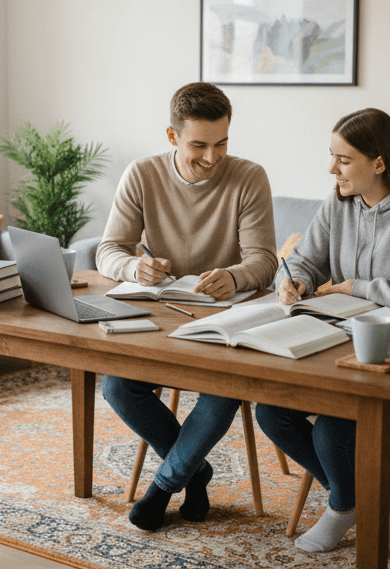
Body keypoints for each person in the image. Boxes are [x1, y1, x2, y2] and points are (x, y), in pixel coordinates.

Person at [255, 108, 390, 552]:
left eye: (343, 159)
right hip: (347, 357)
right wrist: (295, 281)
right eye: (332, 157)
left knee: (333, 427)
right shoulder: (338, 204)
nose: (332, 169)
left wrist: (359, 287)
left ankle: (344, 508)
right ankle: (353, 499)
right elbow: (305, 260)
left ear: (380, 162)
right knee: (271, 411)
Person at [96, 82, 278, 531]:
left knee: (222, 393)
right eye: (199, 144)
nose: (212, 157)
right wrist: (135, 268)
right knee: (118, 388)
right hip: (161, 319)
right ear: (172, 135)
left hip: (225, 322)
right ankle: (197, 471)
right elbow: (107, 250)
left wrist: (235, 276)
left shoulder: (249, 176)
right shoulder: (142, 175)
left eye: (222, 143)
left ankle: (163, 487)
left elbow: (264, 260)